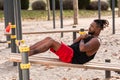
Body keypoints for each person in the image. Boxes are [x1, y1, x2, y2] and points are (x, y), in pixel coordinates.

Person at [29, 19, 109, 64]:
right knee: (48, 38)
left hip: (72, 57)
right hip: (70, 52)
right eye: (90, 26)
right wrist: (81, 37)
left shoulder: (96, 41)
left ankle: (30, 53)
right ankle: (29, 49)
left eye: (92, 26)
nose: (89, 28)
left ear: (98, 29)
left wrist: (83, 38)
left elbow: (82, 49)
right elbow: (74, 43)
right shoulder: (90, 36)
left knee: (51, 42)